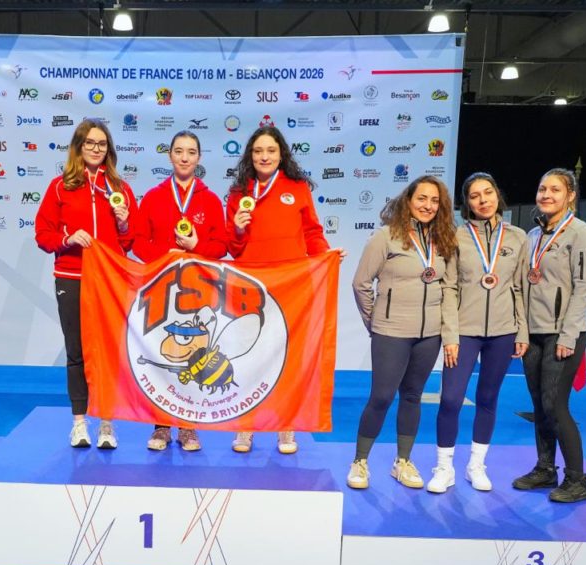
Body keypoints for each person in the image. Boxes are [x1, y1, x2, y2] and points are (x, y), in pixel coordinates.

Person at [224, 125, 341, 455]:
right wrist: (237, 229)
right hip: (249, 286)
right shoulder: (238, 193)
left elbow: (312, 232)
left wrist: (326, 256)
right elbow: (232, 247)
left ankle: (286, 425)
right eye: (258, 151)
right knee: (249, 356)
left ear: (281, 154)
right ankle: (245, 425)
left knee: (286, 357)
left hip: (290, 286)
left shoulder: (297, 188)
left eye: (271, 151)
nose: (264, 156)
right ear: (250, 156)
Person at [348, 175, 458, 489]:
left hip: (429, 335)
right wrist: (375, 321)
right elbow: (360, 283)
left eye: (435, 201)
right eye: (422, 198)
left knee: (412, 396)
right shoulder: (386, 237)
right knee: (381, 397)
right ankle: (360, 462)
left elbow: (449, 288)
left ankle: (403, 462)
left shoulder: (444, 240)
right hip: (391, 332)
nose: (428, 205)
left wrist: (448, 333)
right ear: (408, 201)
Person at [35, 119, 136, 449]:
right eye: (90, 143)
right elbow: (43, 235)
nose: (96, 149)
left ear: (109, 149)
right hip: (72, 277)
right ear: (78, 147)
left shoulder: (119, 189)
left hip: (109, 281)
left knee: (108, 353)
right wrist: (67, 238)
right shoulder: (60, 187)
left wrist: (124, 224)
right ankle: (79, 423)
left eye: (102, 144)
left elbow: (130, 241)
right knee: (76, 352)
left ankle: (107, 423)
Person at [428, 173, 528, 494]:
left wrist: (522, 331)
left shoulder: (517, 237)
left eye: (488, 193)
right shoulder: (456, 236)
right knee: (451, 399)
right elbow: (449, 287)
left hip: (503, 332)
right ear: (467, 202)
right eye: (475, 196)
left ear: (497, 194)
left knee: (487, 398)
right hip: (465, 332)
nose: (483, 200)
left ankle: (476, 465)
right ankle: (444, 467)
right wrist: (451, 335)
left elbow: (519, 288)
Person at [132, 131, 226, 452]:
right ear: (170, 155)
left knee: (194, 358)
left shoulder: (210, 200)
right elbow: (137, 241)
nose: (185, 158)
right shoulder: (154, 197)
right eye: (179, 151)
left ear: (199, 157)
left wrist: (197, 246)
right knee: (161, 354)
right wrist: (164, 256)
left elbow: (222, 246)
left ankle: (188, 426)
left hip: (196, 292)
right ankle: (161, 426)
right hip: (161, 288)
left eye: (191, 152)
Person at [512, 168, 586, 503]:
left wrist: (568, 335)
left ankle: (578, 479)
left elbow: (583, 288)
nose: (546, 195)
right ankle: (545, 469)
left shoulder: (582, 234)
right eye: (542, 189)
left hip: (562, 335)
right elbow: (523, 287)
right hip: (533, 333)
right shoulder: (533, 235)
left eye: (555, 189)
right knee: (539, 404)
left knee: (555, 405)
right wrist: (521, 330)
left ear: (570, 195)